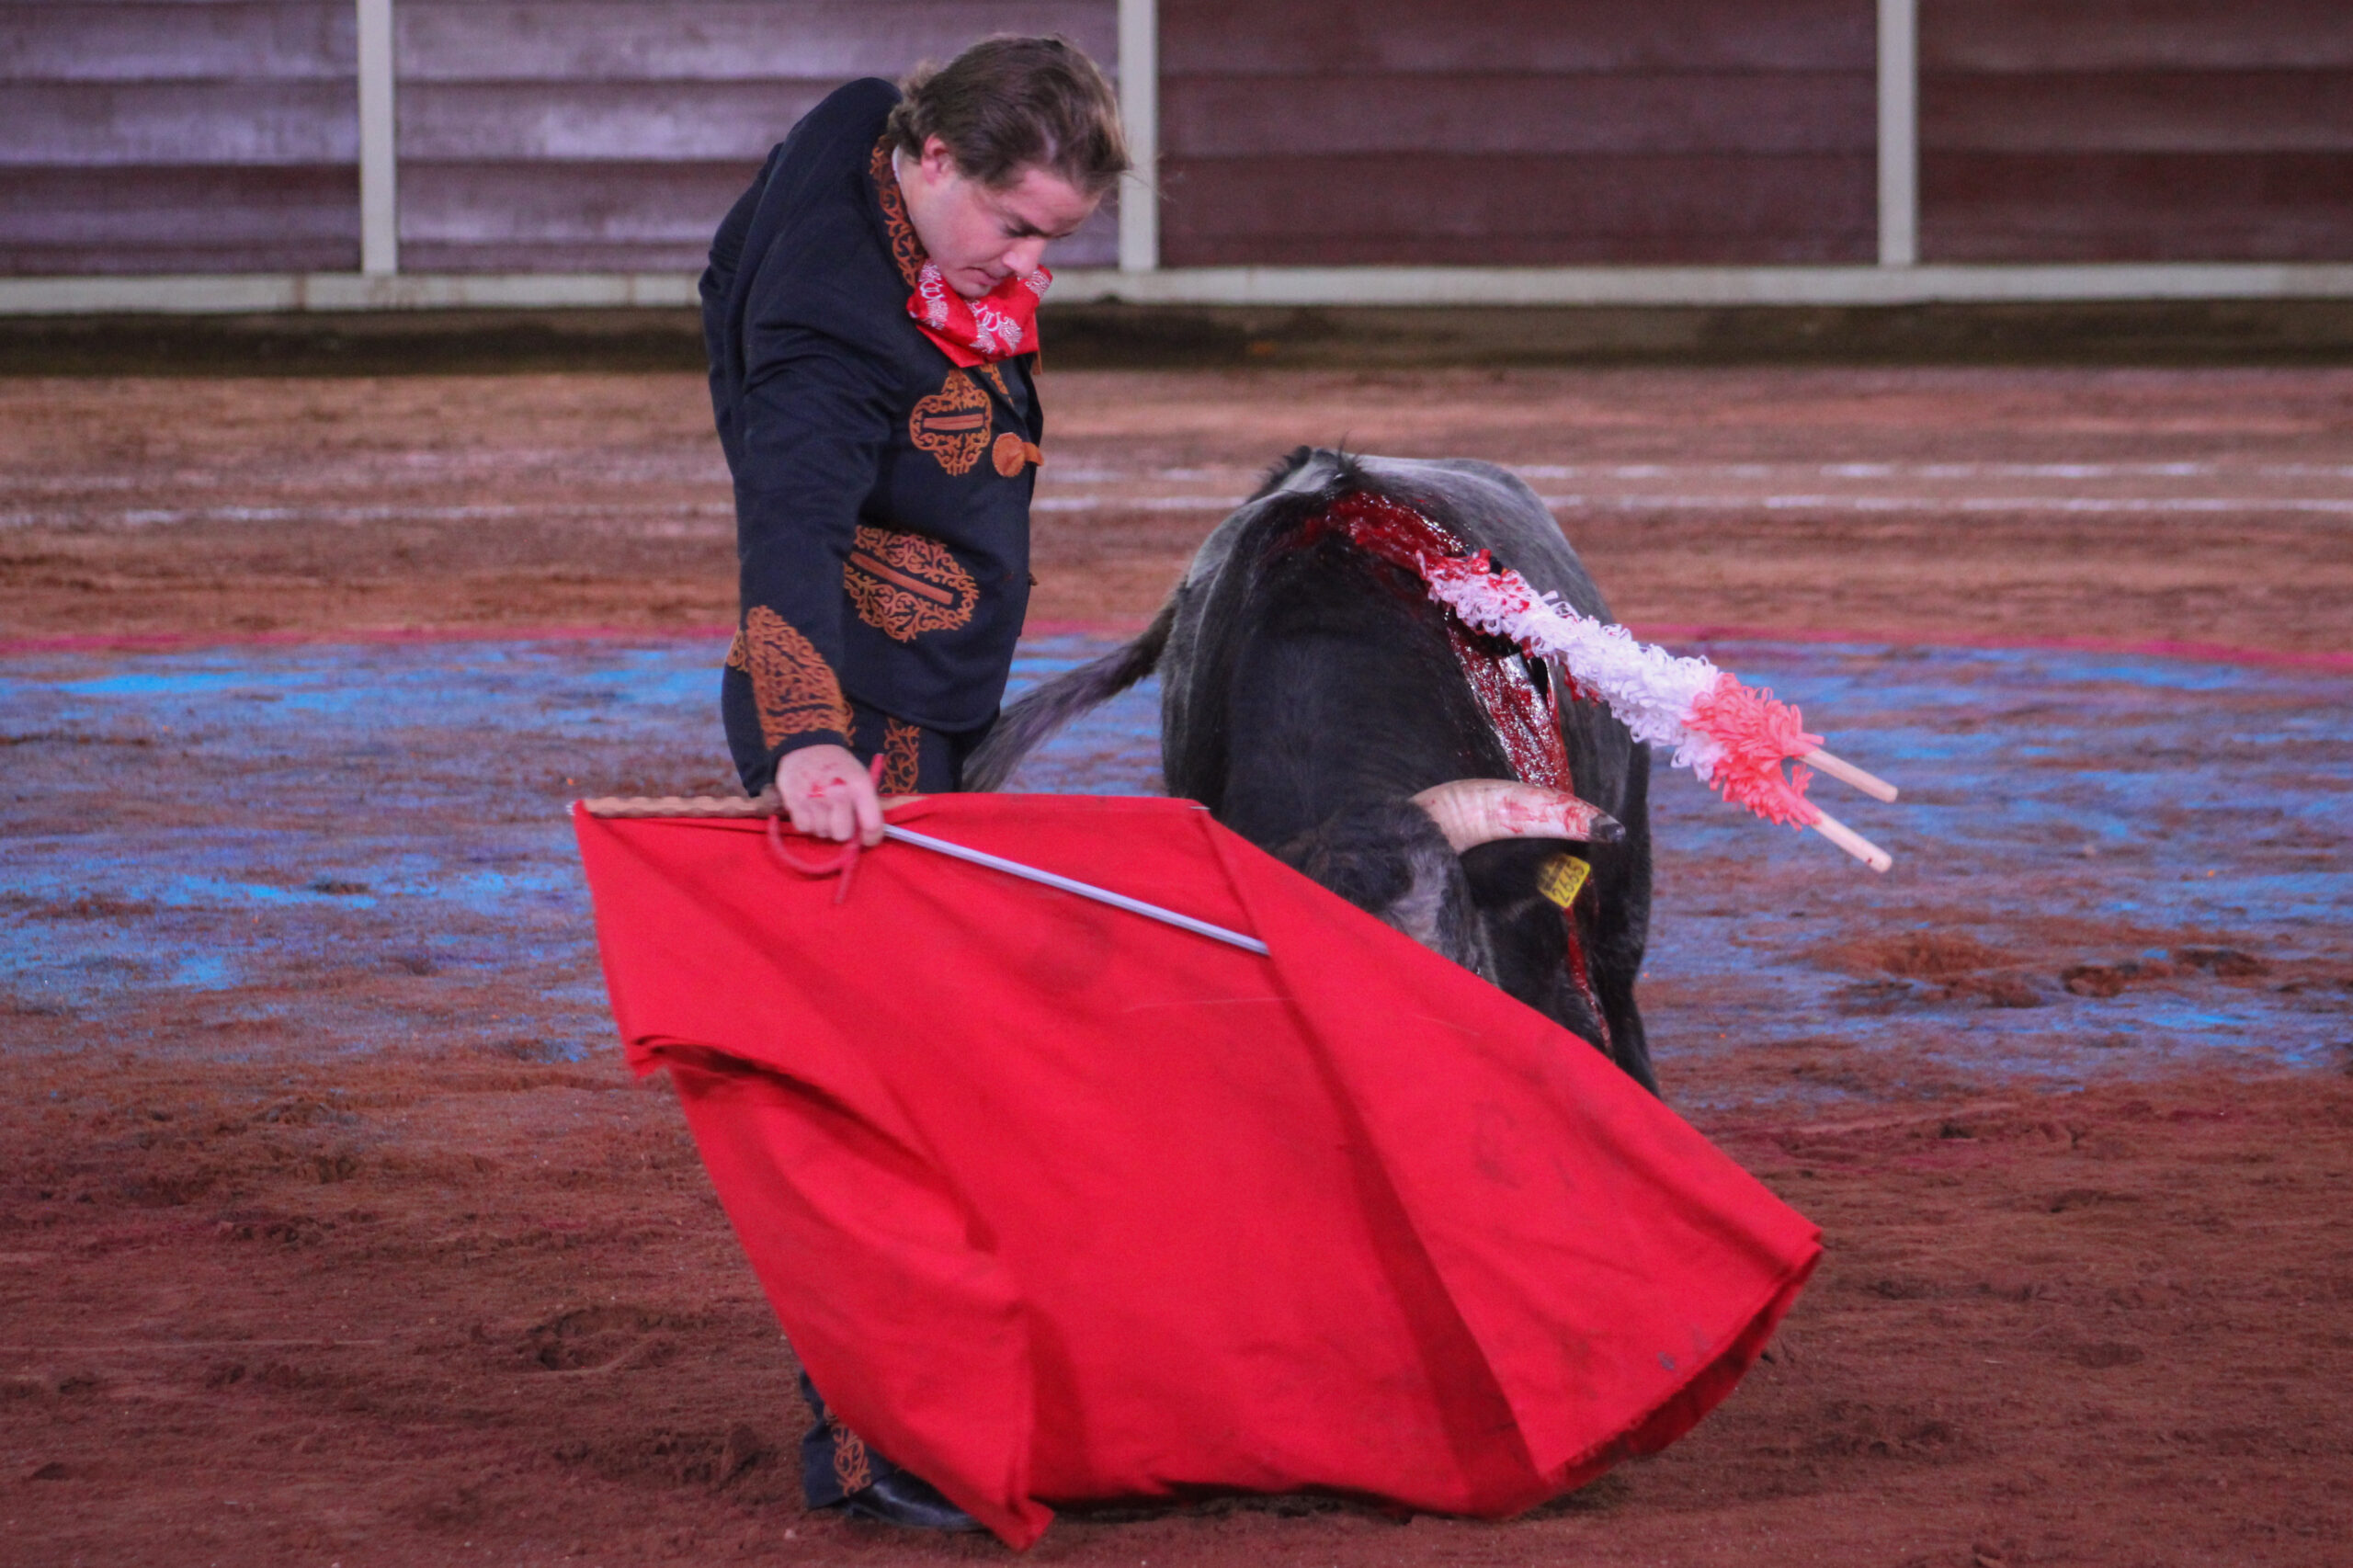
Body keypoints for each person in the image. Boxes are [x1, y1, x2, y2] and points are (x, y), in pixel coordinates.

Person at [697, 36, 1128, 1530]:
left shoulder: (857, 122)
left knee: (921, 1049)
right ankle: (873, 1439)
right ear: (933, 163)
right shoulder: (830, 331)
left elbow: (719, 272)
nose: (1027, 263)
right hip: (865, 716)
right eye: (1014, 226)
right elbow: (789, 527)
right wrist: (809, 734)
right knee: (888, 1070)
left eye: (1050, 238)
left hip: (931, 682)